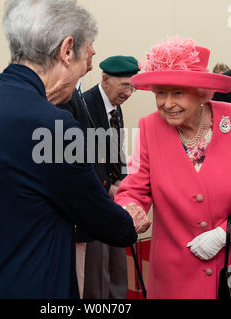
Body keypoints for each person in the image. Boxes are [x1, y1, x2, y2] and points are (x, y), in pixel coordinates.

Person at [0, 0, 150, 299]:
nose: (87, 71)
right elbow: (99, 217)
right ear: (67, 50)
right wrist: (128, 222)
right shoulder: (52, 126)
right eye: (87, 62)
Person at [113, 36, 231, 299]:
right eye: (160, 93)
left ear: (202, 93)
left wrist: (223, 236)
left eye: (177, 93)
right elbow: (135, 188)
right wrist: (129, 208)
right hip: (174, 274)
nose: (167, 103)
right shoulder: (149, 128)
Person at [82, 56, 140, 299]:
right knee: (96, 266)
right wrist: (107, 187)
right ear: (105, 80)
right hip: (93, 197)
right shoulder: (86, 104)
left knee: (117, 258)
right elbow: (84, 156)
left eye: (133, 87)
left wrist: (123, 184)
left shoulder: (115, 106)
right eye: (124, 85)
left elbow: (116, 149)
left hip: (114, 195)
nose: (128, 93)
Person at [56, 49, 96, 298]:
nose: (93, 51)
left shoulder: (77, 92)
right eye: (89, 45)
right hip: (71, 214)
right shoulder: (61, 97)